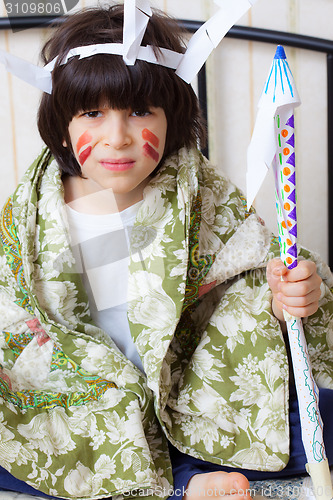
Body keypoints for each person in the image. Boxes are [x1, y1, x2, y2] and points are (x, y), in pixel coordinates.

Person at [0, 4, 332, 500]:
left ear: (171, 115)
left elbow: (257, 276)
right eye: (93, 113)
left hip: (191, 386)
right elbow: (11, 309)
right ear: (61, 122)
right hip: (83, 397)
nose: (118, 137)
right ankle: (181, 482)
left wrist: (291, 292)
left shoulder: (200, 192)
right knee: (24, 439)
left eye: (139, 111)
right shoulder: (31, 212)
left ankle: (172, 470)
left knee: (315, 419)